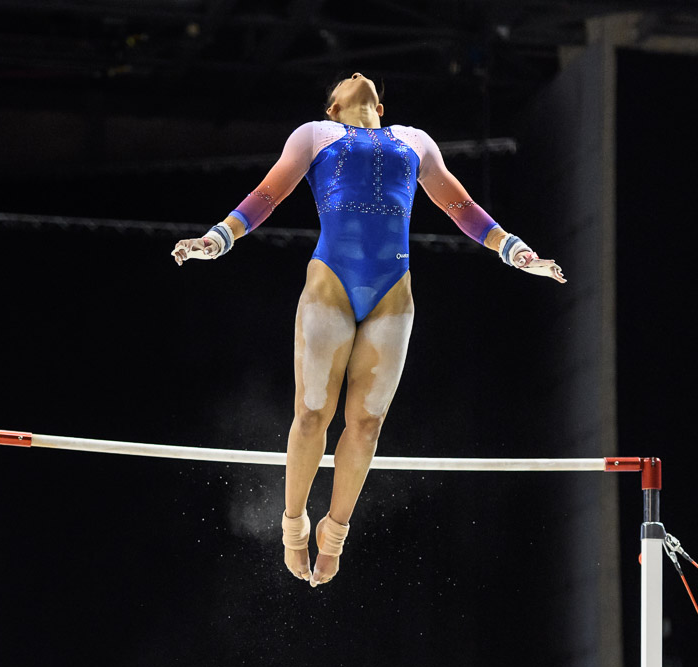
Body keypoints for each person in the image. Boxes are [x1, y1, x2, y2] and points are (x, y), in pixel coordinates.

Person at [171, 72, 565, 586]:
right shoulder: (314, 134)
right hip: (331, 284)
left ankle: (335, 534)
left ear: (380, 102)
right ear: (333, 106)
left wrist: (516, 252)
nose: (356, 74)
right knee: (313, 414)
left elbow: (461, 207)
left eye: (363, 77)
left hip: (391, 295)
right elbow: (267, 194)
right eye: (343, 80)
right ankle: (293, 526)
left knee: (366, 424)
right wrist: (216, 239)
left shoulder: (416, 141)